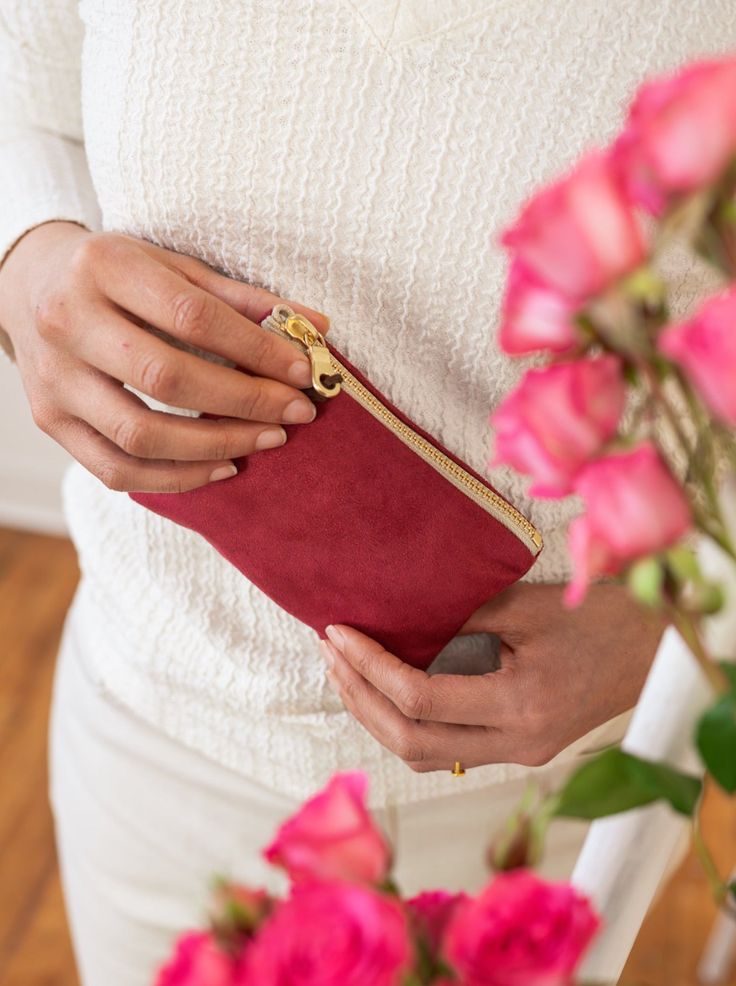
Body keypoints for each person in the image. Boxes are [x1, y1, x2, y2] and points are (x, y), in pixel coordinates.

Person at [0, 3, 728, 984]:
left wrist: (683, 632)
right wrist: (27, 256)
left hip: (538, 794)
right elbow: (21, 79)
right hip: (150, 714)